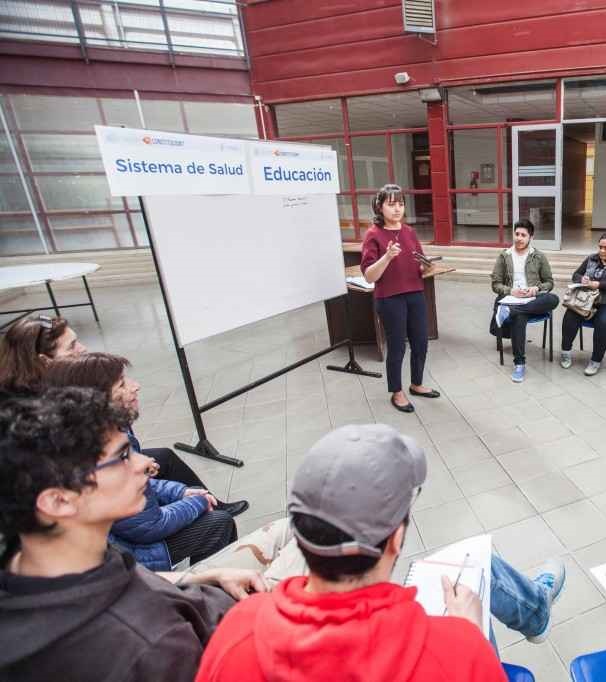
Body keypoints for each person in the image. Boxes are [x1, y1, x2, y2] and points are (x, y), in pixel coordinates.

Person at [196, 424, 566, 681]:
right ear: (395, 539)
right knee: (476, 571)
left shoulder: (237, 631)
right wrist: (469, 634)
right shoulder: (453, 652)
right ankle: (538, 610)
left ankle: (537, 610)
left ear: (300, 537)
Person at [0, 387, 267, 682]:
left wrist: (199, 577)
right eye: (122, 456)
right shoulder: (147, 644)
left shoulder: (41, 560)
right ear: (58, 501)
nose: (143, 464)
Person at [0, 314, 233, 500]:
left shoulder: (50, 387)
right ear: (44, 361)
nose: (82, 349)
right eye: (72, 346)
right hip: (86, 488)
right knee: (210, 523)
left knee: (164, 457)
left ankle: (210, 502)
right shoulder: (40, 413)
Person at [42, 352, 240, 571]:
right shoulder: (90, 451)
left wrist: (180, 492)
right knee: (218, 523)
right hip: (136, 554)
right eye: (121, 384)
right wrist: (197, 503)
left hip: (128, 544)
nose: (135, 386)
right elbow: (148, 526)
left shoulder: (94, 436)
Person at [360, 183, 441, 413]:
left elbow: (420, 264)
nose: (397, 209)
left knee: (420, 342)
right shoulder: (373, 235)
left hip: (415, 293)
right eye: (391, 204)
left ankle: (416, 384)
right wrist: (386, 257)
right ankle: (396, 391)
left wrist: (427, 268)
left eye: (401, 204)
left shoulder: (409, 232)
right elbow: (369, 275)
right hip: (389, 298)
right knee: (397, 347)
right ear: (379, 206)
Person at [489, 218, 559, 383]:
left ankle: (509, 312)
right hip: (511, 298)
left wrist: (537, 288)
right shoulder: (504, 256)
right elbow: (495, 284)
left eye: (523, 235)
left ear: (530, 237)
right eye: (516, 234)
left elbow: (550, 282)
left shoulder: (539, 257)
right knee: (519, 319)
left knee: (554, 299)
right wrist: (510, 290)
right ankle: (519, 364)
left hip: (533, 300)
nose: (519, 238)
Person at [560, 232, 606, 376]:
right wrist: (582, 280)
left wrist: (599, 284)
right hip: (590, 300)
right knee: (571, 314)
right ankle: (565, 351)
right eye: (600, 247)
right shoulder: (591, 259)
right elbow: (575, 275)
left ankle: (595, 361)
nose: (602, 251)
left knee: (603, 321)